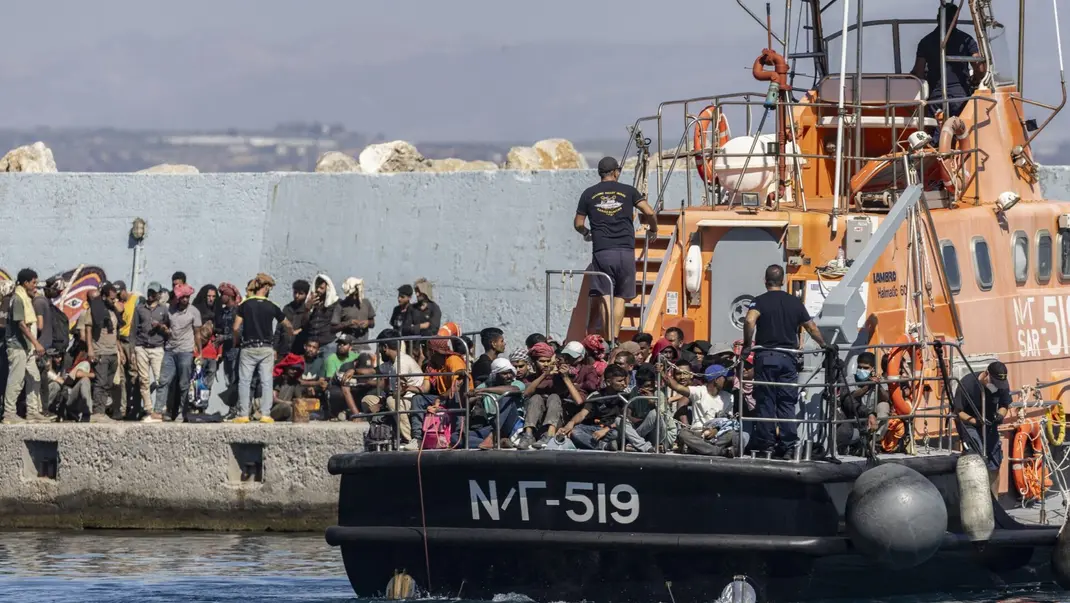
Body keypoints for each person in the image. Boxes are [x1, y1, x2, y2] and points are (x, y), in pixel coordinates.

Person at [742, 264, 828, 458]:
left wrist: (748, 344)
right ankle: (789, 446)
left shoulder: (759, 302)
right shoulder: (794, 303)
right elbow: (811, 327)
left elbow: (749, 321)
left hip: (764, 357)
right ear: (783, 281)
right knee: (787, 403)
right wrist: (824, 345)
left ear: (765, 281)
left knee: (766, 402)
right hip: (788, 358)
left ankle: (767, 446)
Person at [574, 156, 657, 341]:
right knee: (620, 296)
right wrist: (653, 229)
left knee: (605, 296)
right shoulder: (628, 191)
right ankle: (616, 337)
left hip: (602, 251)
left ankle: (609, 340)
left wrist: (587, 232)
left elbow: (578, 223)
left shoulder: (589, 194)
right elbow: (650, 212)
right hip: (626, 251)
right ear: (615, 172)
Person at [232, 273, 293, 424]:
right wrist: (292, 333)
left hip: (248, 347)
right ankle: (266, 414)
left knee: (244, 381)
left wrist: (236, 341)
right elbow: (287, 324)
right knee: (267, 381)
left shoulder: (244, 305)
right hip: (266, 347)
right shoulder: (272, 306)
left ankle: (243, 414)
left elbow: (235, 327)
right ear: (266, 288)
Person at [911, 2, 984, 118]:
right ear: (956, 19)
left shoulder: (925, 41)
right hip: (961, 98)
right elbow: (979, 68)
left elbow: (918, 72)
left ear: (938, 18)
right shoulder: (967, 40)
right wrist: (975, 80)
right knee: (961, 131)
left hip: (936, 98)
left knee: (936, 131)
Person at [561, 364, 652, 452]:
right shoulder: (597, 396)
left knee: (616, 434)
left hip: (615, 429)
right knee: (575, 432)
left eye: (624, 380)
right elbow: (582, 414)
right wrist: (571, 423)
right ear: (608, 382)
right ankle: (604, 446)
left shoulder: (626, 395)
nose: (624, 384)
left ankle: (610, 445)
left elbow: (625, 418)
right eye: (620, 381)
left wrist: (606, 429)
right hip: (597, 428)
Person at [954, 361, 1011, 487]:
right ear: (986, 374)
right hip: (969, 423)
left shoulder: (1002, 385)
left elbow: (1004, 405)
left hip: (990, 423)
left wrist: (1000, 415)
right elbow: (958, 412)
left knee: (995, 461)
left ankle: (994, 501)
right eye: (994, 383)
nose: (996, 387)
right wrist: (976, 421)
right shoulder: (967, 384)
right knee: (977, 456)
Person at [3, 269, 47, 423]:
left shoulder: (27, 299)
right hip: (17, 346)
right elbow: (21, 324)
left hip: (27, 347)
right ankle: (9, 414)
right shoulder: (18, 299)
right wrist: (36, 342)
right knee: (17, 380)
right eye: (33, 282)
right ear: (26, 282)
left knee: (34, 377)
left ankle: (33, 411)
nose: (35, 286)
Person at [154, 283, 202, 421]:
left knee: (183, 383)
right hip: (170, 350)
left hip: (186, 351)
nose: (185, 300)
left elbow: (197, 333)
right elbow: (167, 326)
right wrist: (163, 328)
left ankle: (182, 412)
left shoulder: (194, 312)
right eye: (183, 297)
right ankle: (158, 411)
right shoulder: (169, 310)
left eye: (187, 297)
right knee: (163, 380)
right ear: (178, 298)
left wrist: (199, 353)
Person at [80, 282, 123, 421]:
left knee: (109, 384)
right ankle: (97, 413)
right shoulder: (94, 310)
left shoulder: (112, 311)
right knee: (101, 382)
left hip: (112, 352)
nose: (114, 301)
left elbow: (116, 332)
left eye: (115, 298)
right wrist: (90, 350)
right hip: (100, 352)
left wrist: (120, 351)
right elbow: (88, 330)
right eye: (111, 298)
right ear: (104, 297)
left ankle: (102, 412)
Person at [836, 352, 891, 455]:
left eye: (865, 368)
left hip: (872, 418)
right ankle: (857, 445)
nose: (862, 370)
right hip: (855, 415)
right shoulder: (850, 379)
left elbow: (886, 398)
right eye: (859, 367)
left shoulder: (879, 379)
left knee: (884, 406)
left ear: (872, 369)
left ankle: (872, 441)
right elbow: (851, 397)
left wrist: (878, 385)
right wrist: (867, 386)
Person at [133, 282, 168, 421]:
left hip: (157, 347)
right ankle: (148, 408)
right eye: (149, 292)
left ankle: (160, 408)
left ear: (159, 294)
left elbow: (168, 328)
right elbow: (134, 329)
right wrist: (132, 349)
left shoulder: (163, 310)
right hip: (141, 347)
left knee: (160, 379)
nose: (151, 295)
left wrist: (160, 326)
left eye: (154, 293)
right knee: (144, 379)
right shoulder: (140, 309)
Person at [332, 277, 375, 353]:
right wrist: (349, 323)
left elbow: (372, 323)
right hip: (346, 346)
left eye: (355, 294)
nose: (354, 297)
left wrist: (368, 323)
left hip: (363, 345)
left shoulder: (366, 303)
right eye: (351, 295)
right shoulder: (341, 305)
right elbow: (333, 328)